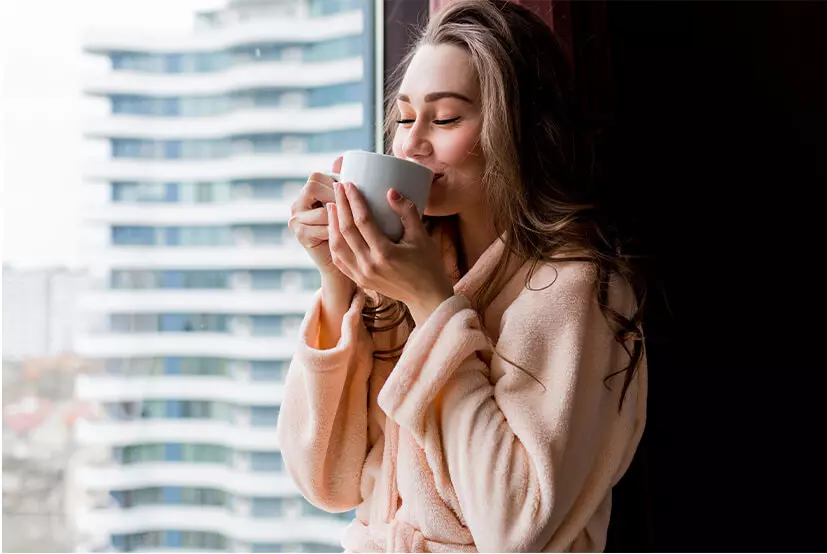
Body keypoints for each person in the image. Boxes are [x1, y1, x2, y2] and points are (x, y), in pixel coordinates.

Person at [276, 0, 647, 551]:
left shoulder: (573, 291)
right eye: (404, 117)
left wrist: (433, 305)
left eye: (445, 118)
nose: (410, 142)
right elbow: (325, 481)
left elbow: (513, 528)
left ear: (517, 129)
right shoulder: (409, 271)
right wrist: (338, 284)